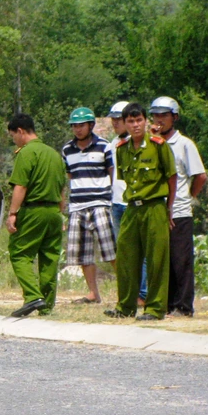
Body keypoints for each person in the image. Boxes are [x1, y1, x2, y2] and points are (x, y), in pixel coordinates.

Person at [105, 102, 177, 321]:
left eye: (138, 120)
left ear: (146, 121)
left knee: (156, 259)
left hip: (154, 205)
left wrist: (169, 208)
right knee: (126, 257)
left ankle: (155, 308)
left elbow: (171, 177)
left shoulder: (158, 145)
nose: (135, 125)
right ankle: (126, 306)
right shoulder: (121, 149)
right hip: (131, 208)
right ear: (124, 124)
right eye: (130, 121)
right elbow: (125, 180)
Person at [149, 96, 206, 317]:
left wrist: (189, 197)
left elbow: (200, 176)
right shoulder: (152, 142)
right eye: (155, 115)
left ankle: (183, 305)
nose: (159, 120)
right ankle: (167, 303)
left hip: (179, 210)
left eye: (164, 115)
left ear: (174, 117)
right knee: (162, 260)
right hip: (157, 208)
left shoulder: (184, 144)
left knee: (181, 260)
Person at [5, 114, 66, 318]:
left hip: (34, 210)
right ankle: (46, 306)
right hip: (54, 212)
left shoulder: (27, 153)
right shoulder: (54, 154)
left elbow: (21, 185)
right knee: (49, 257)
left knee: (19, 253)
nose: (14, 140)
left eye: (13, 136)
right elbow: (62, 187)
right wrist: (61, 213)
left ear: (21, 131)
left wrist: (12, 213)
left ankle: (32, 296)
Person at [60, 107, 116, 305]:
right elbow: (67, 177)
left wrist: (112, 197)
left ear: (91, 125)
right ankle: (93, 293)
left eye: (81, 125)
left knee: (111, 250)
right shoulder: (67, 150)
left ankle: (128, 291)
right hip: (77, 205)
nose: (77, 129)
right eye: (74, 125)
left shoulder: (104, 146)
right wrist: (64, 203)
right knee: (84, 253)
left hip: (100, 203)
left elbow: (112, 172)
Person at [107, 101, 131, 236]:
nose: (115, 123)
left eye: (119, 119)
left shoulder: (138, 142)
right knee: (121, 248)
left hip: (131, 203)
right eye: (113, 119)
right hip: (116, 202)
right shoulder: (113, 143)